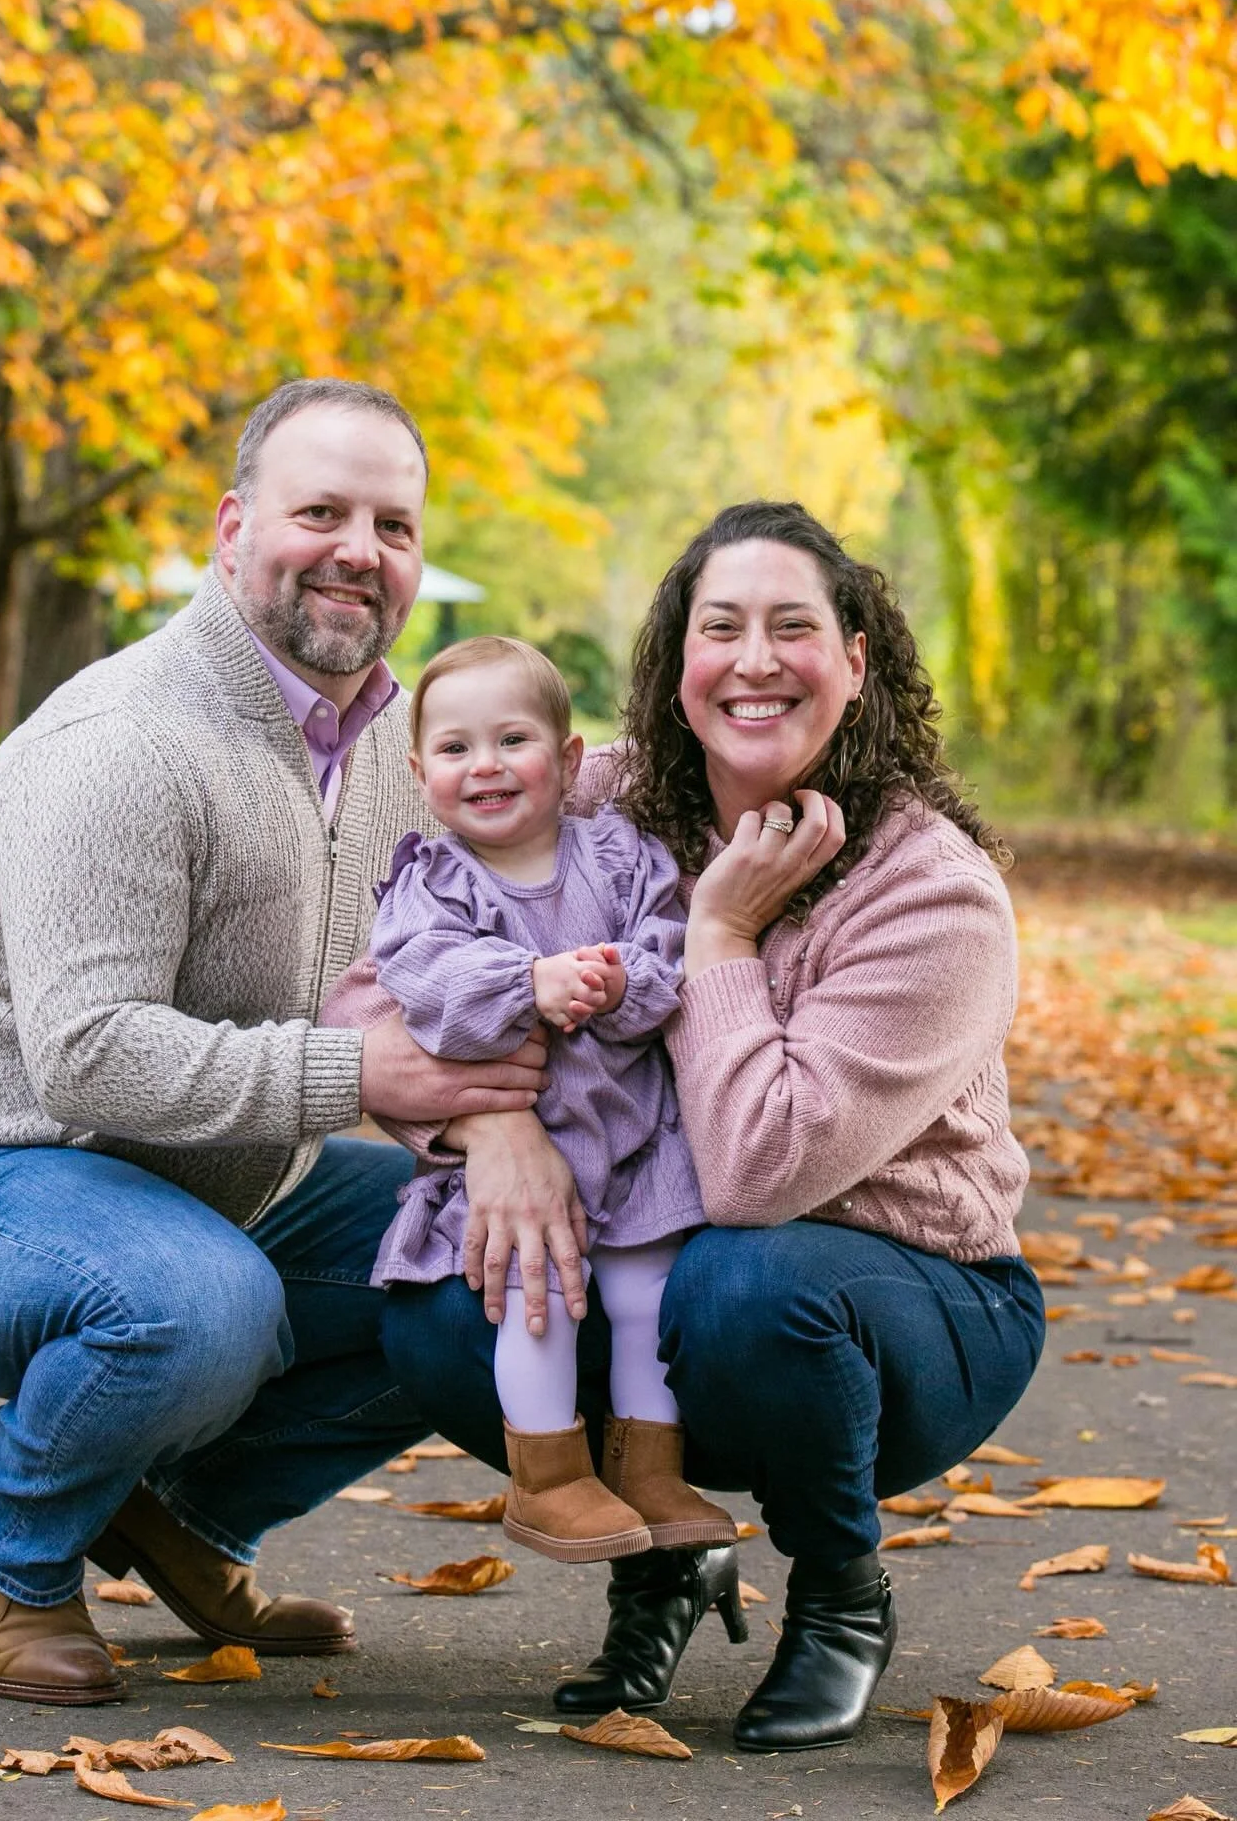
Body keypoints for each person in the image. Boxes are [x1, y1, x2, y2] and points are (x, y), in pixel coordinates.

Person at [0, 378, 551, 1707]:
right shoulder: (121, 742)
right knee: (198, 1304)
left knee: (489, 1253)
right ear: (234, 530)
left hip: (212, 1186)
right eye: (321, 511)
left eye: (392, 525)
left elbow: (591, 792)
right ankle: (10, 1537)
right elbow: (89, 1056)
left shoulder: (399, 744)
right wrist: (364, 1075)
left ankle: (184, 1517)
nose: (360, 548)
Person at [341, 500, 1044, 1752]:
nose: (756, 659)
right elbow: (375, 984)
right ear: (676, 666)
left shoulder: (932, 894)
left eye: (794, 627)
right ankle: (658, 1554)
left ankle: (840, 1594)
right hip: (666, 1272)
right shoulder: (593, 794)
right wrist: (490, 1132)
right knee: (459, 1295)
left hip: (904, 1306)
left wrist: (717, 937)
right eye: (721, 627)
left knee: (740, 1277)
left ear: (857, 660)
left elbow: (760, 1170)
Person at [365, 636, 736, 1567]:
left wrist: (620, 986)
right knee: (542, 1295)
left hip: (637, 1135)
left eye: (512, 740)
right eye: (454, 749)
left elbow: (672, 950)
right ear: (421, 773)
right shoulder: (434, 885)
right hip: (538, 1157)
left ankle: (648, 1463)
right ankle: (547, 1475)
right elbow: (425, 983)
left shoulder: (617, 856)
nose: (483, 765)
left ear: (569, 761)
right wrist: (526, 981)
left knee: (648, 1292)